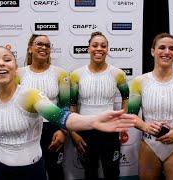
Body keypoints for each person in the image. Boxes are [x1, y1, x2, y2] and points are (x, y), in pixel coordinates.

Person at [0, 46, 137, 180]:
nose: (0, 64)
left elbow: (63, 117)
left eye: (6, 59)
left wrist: (94, 121)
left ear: (15, 66)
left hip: (32, 171)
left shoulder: (30, 96)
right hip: (0, 173)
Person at [127, 33, 173, 180]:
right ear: (152, 51)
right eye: (162, 47)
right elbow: (131, 115)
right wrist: (145, 127)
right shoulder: (139, 82)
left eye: (172, 48)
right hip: (149, 145)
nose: (167, 52)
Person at [70, 31, 129, 180]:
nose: (99, 49)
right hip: (85, 131)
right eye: (94, 45)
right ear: (88, 48)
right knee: (90, 173)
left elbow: (126, 98)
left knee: (112, 173)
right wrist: (74, 132)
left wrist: (121, 123)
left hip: (110, 131)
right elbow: (72, 104)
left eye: (103, 46)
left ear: (107, 49)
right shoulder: (76, 75)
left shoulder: (118, 74)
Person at [17, 34, 68, 180]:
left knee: (55, 171)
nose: (43, 47)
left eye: (47, 45)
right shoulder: (18, 74)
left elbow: (65, 106)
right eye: (39, 44)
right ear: (30, 48)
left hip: (53, 130)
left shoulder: (60, 74)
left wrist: (63, 131)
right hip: (26, 130)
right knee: (30, 173)